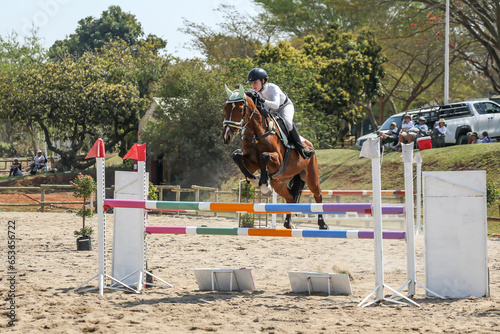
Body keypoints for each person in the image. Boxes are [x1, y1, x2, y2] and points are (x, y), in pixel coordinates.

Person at [246, 67, 314, 159]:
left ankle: (302, 150)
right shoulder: (256, 92)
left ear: (262, 80)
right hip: (270, 108)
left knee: (288, 122)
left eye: (255, 82)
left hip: (284, 106)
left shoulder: (273, 87)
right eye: (251, 83)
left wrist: (262, 100)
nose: (253, 85)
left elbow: (276, 105)